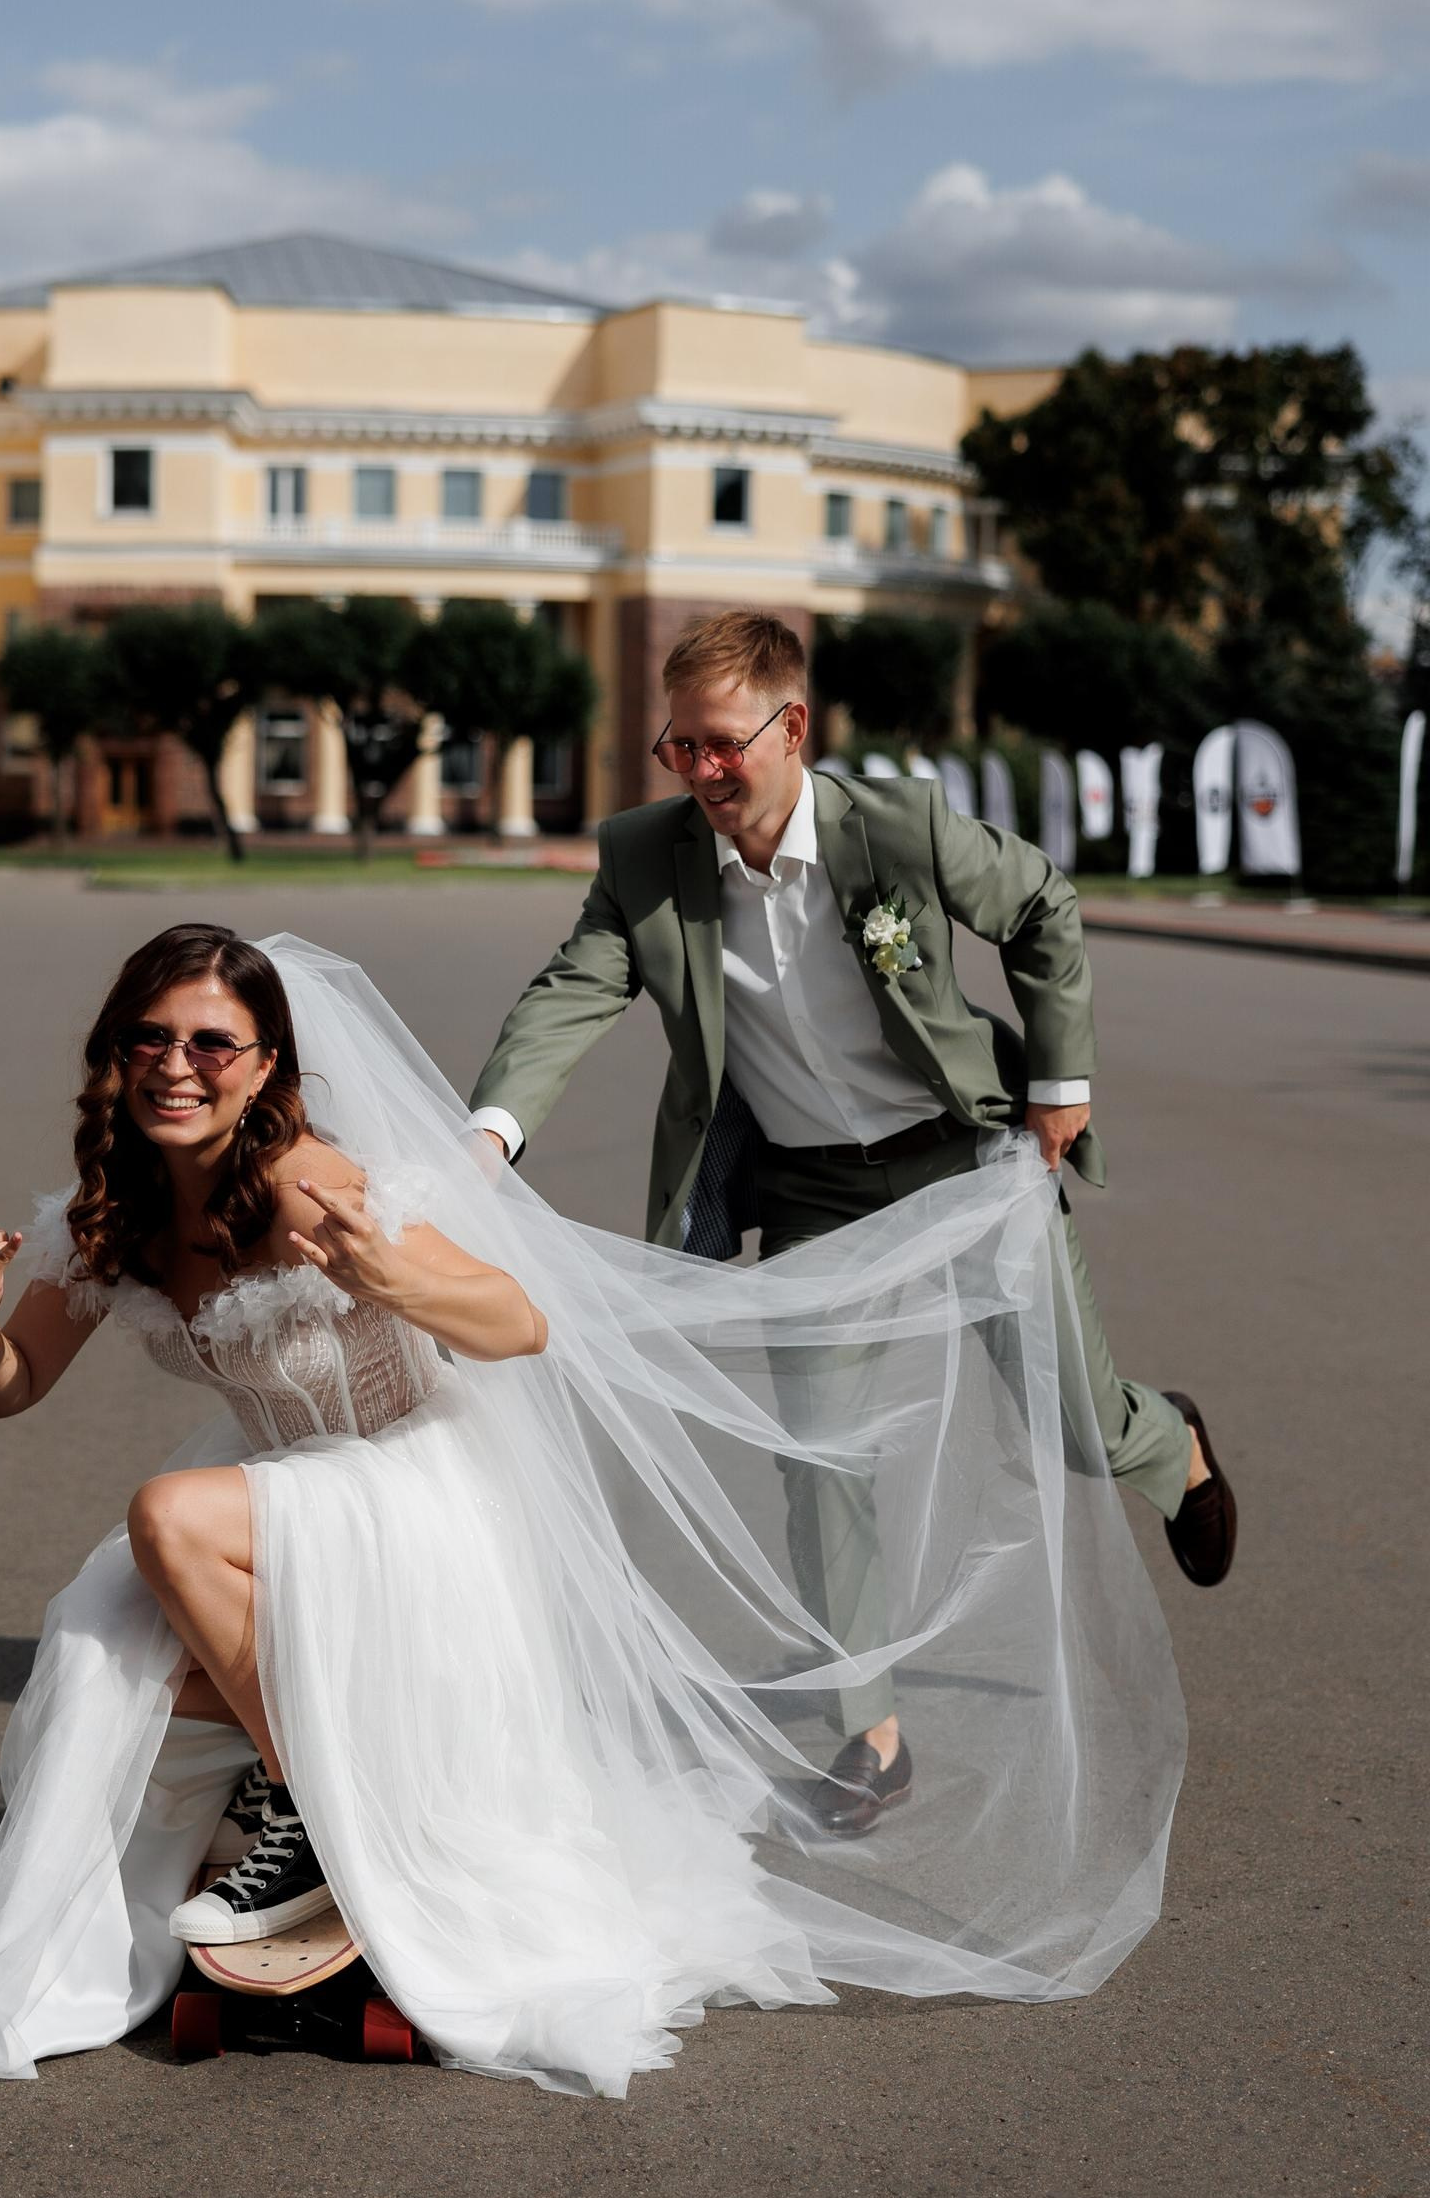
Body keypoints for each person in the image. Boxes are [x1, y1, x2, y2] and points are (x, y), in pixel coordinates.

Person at [0, 918, 1186, 2097]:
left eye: (212, 1043)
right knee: (104, 1654)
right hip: (290, 1509)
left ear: (268, 1062)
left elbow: (516, 1320)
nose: (178, 1066)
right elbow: (9, 1388)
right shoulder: (110, 1214)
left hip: (417, 1502)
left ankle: (304, 1809)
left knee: (164, 1521)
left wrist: (396, 1277)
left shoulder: (312, 1185)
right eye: (149, 1040)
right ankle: (263, 1829)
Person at [467, 608, 1236, 1839]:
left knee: (1075, 1421)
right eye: (678, 749)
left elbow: (1041, 905)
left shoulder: (896, 826)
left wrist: (1056, 1083)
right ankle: (869, 1734)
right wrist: (487, 1138)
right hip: (811, 1194)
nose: (702, 773)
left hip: (957, 1164)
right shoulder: (643, 859)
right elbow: (570, 993)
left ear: (792, 728)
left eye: (721, 745)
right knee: (817, 1458)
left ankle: (1173, 1447)